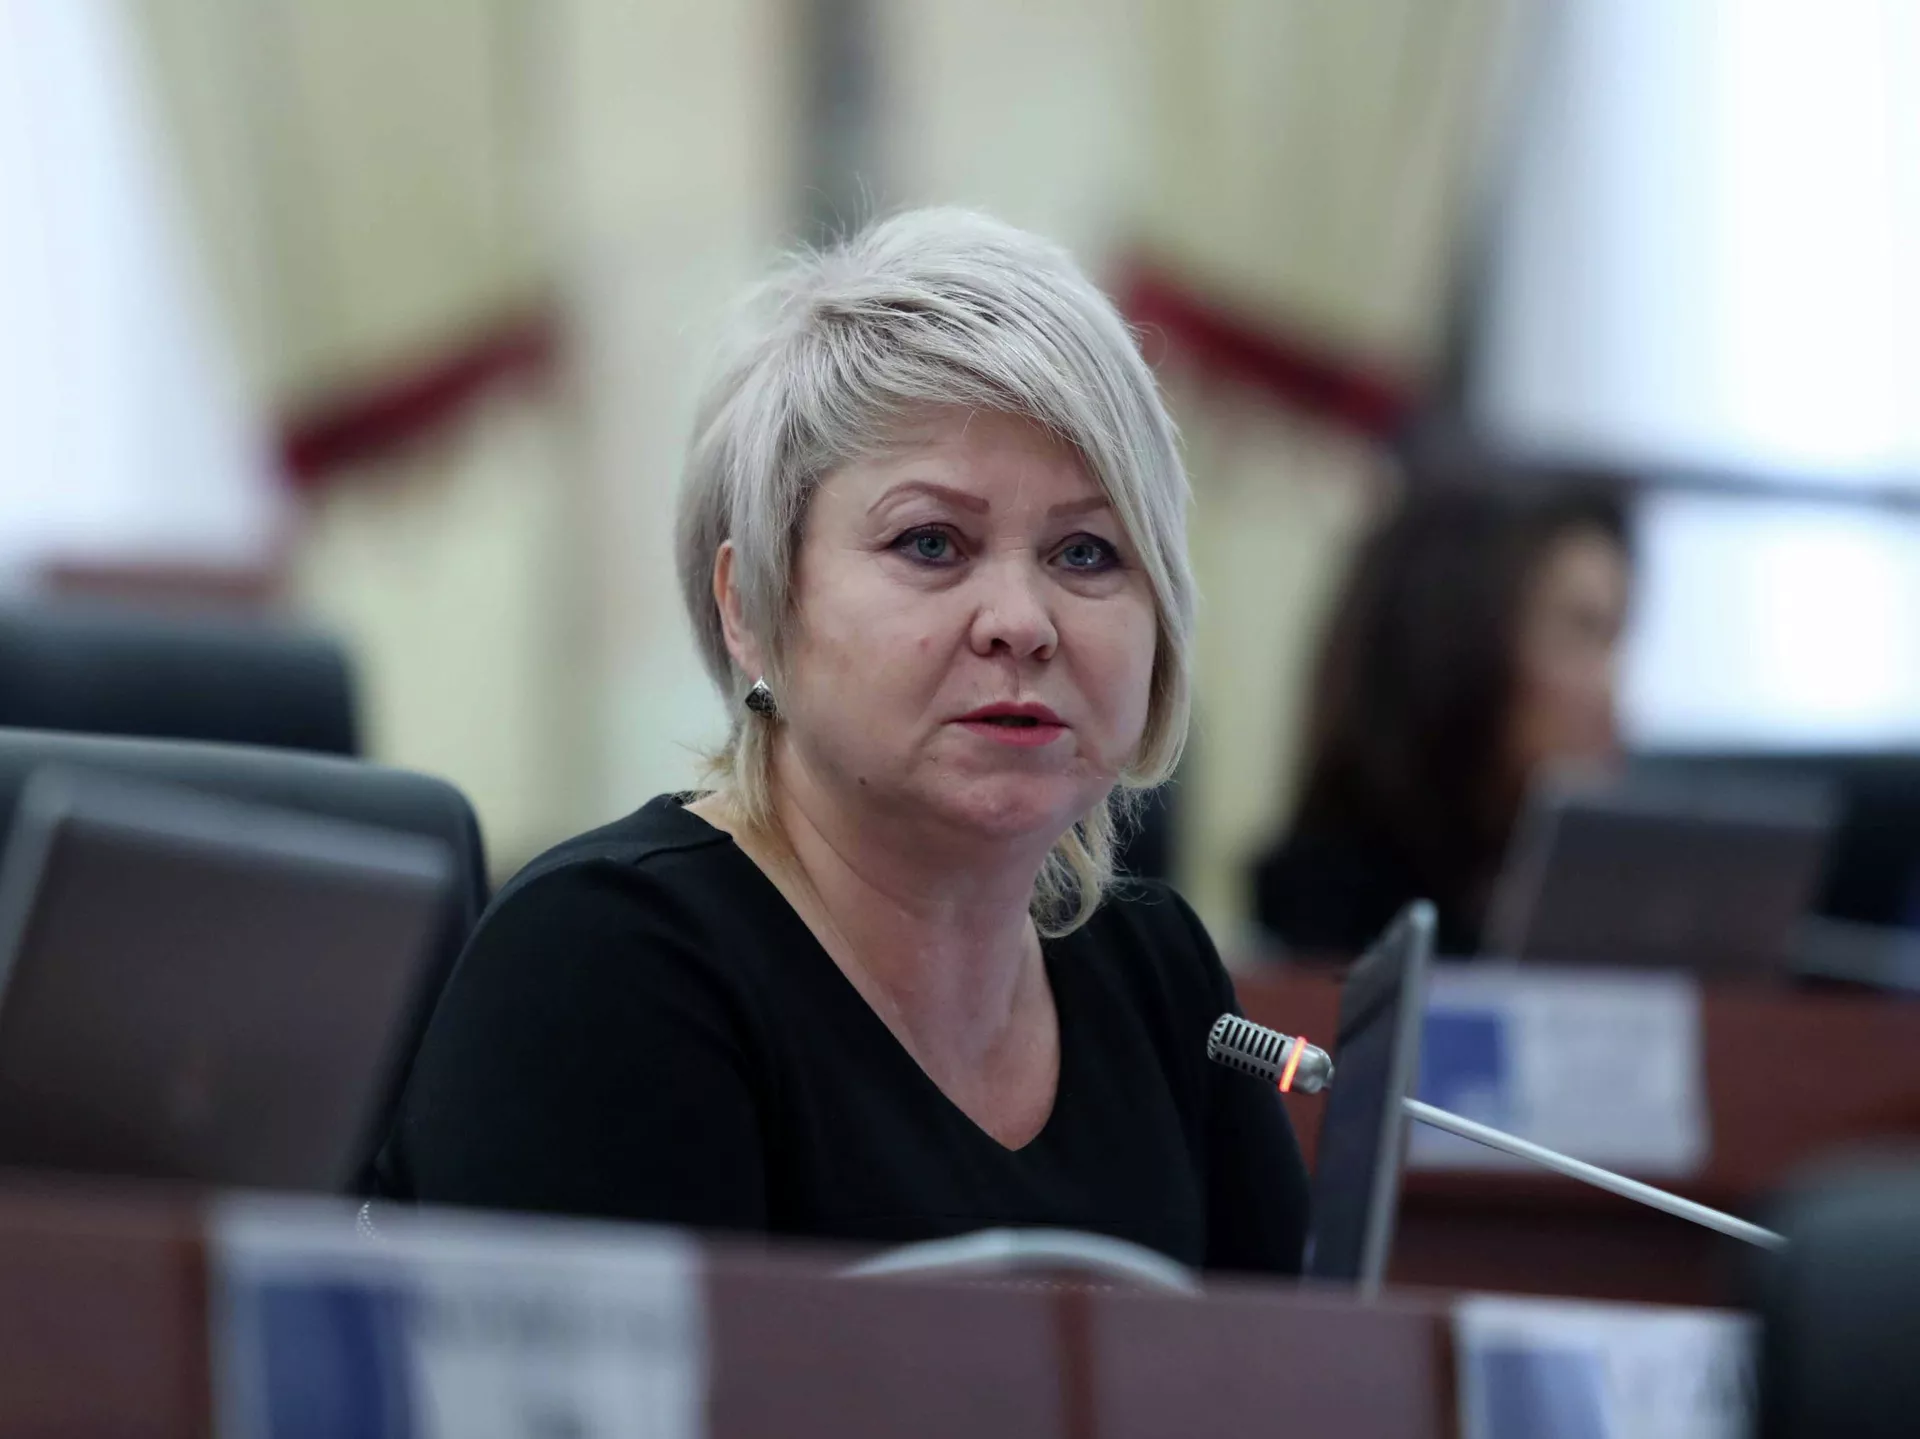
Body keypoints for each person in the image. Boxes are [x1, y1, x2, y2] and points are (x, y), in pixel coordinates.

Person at [375, 209, 1309, 1274]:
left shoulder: (1159, 976)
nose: (1022, 620)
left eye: (1087, 552)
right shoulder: (604, 965)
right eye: (931, 542)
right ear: (750, 606)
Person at [1250, 482, 1631, 957]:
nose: (1611, 689)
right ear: (1456, 647)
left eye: (1614, 638)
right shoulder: (1301, 953)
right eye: (1581, 630)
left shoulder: (1599, 923)